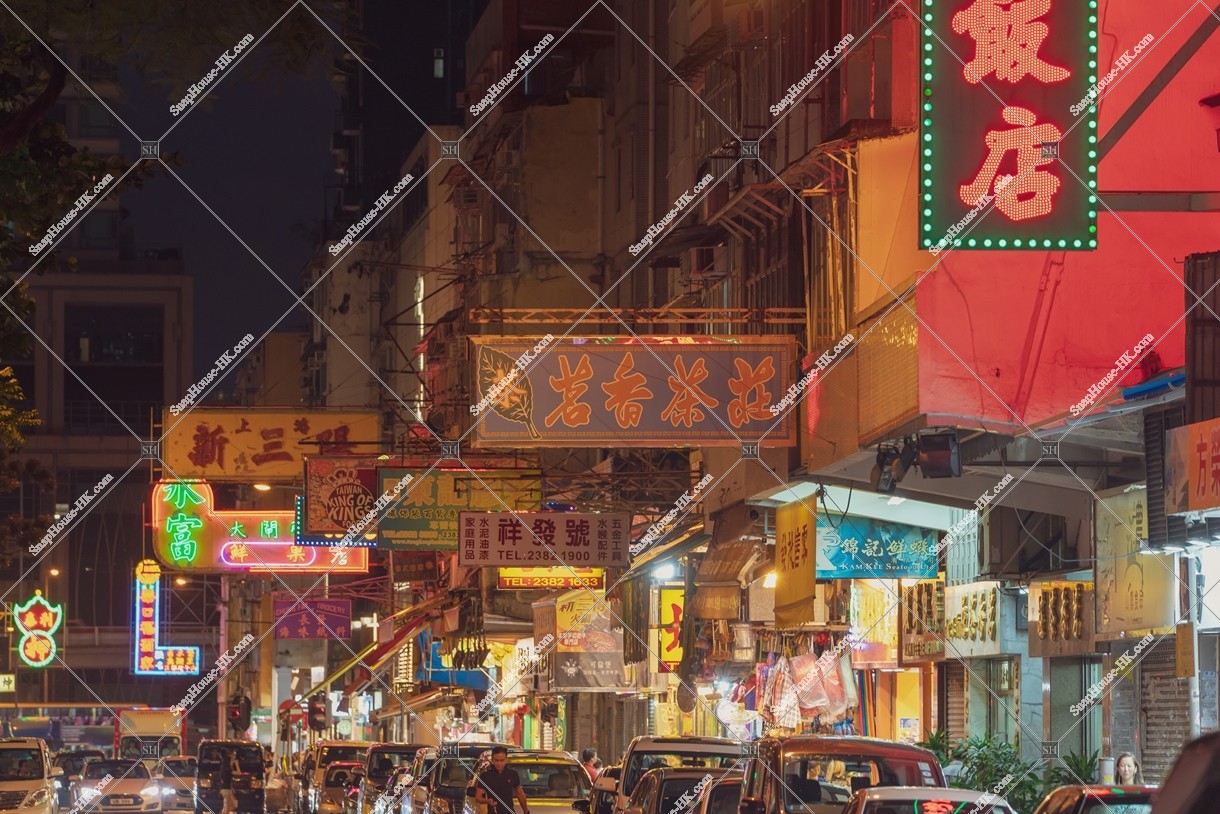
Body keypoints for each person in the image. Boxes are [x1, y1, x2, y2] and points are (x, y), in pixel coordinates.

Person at [475, 747, 531, 814]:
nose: (499, 763)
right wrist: (487, 801)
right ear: (492, 760)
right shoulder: (485, 776)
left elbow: (520, 794)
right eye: (496, 760)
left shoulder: (512, 774)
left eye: (502, 760)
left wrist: (526, 811)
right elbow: (478, 797)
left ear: (506, 760)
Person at [220, 750, 241, 814]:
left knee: (231, 806)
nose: (232, 761)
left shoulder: (224, 768)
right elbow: (239, 773)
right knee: (227, 808)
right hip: (227, 790)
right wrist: (237, 764)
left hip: (224, 789)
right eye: (231, 760)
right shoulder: (228, 769)